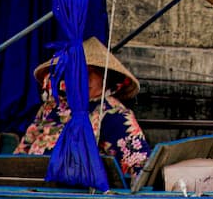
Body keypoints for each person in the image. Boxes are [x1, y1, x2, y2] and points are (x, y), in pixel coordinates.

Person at [18, 36, 151, 179]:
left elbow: (140, 166)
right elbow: (22, 151)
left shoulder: (115, 114)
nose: (85, 78)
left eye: (94, 72)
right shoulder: (52, 107)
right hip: (33, 187)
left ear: (106, 78)